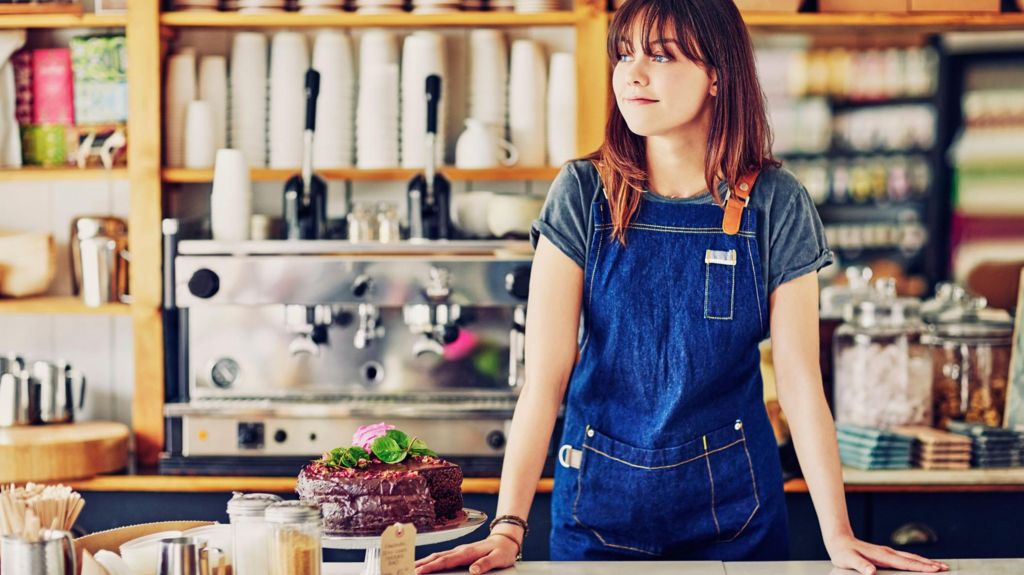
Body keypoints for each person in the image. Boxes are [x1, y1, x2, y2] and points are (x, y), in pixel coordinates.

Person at [416, 1, 949, 574]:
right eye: (625, 54)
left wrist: (838, 536)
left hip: (736, 519)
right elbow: (545, 380)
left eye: (661, 55)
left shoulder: (776, 202)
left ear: (717, 74)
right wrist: (509, 528)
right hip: (598, 513)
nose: (633, 73)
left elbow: (799, 382)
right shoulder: (581, 193)